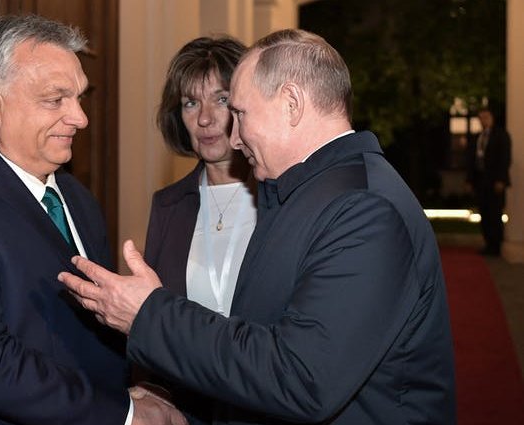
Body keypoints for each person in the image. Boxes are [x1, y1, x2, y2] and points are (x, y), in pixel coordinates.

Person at [60, 28, 456, 424]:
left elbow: (302, 377)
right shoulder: (305, 192)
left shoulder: (363, 209)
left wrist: (149, 314)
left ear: (291, 104)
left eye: (240, 114)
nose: (233, 138)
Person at [0, 15, 185, 425]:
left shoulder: (77, 199)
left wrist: (132, 386)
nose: (80, 117)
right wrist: (125, 413)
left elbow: (85, 332)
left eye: (79, 97)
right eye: (55, 99)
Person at [143, 36, 254, 424]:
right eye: (191, 102)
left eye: (221, 99)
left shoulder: (282, 202)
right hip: (190, 410)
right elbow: (153, 321)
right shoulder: (168, 206)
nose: (205, 118)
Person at [466, 107, 512, 256]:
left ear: (492, 118)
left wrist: (501, 179)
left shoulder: (501, 136)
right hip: (481, 181)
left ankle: (496, 245)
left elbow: (504, 159)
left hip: (494, 181)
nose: (483, 120)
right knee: (484, 213)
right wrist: (470, 180)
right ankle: (488, 243)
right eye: (481, 117)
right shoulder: (477, 137)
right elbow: (472, 160)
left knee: (495, 212)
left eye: (486, 117)